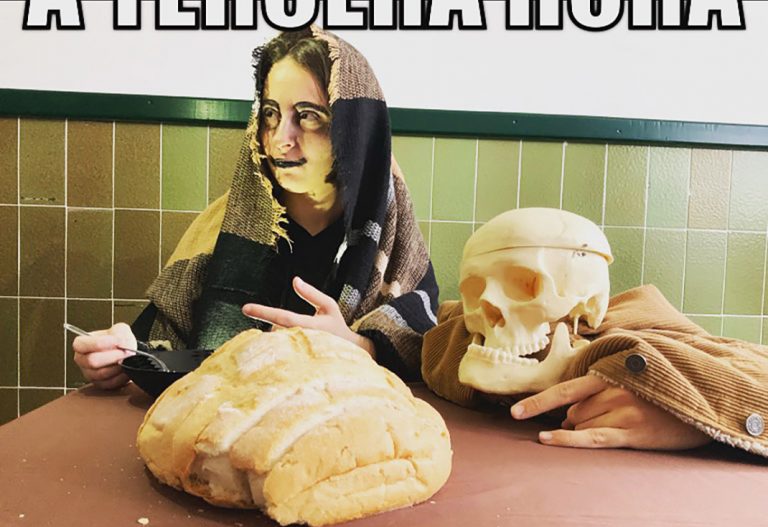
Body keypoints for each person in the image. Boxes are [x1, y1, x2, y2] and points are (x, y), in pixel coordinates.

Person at [73, 27, 439, 390]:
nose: (281, 138)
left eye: (308, 116)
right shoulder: (228, 224)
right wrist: (123, 353)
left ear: (355, 132)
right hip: (225, 418)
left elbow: (424, 350)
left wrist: (358, 347)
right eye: (270, 114)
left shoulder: (390, 236)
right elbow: (167, 345)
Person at [422, 217, 768, 458]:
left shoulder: (656, 334)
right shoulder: (454, 336)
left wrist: (689, 408)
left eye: (527, 287)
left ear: (588, 305)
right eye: (476, 290)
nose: (491, 310)